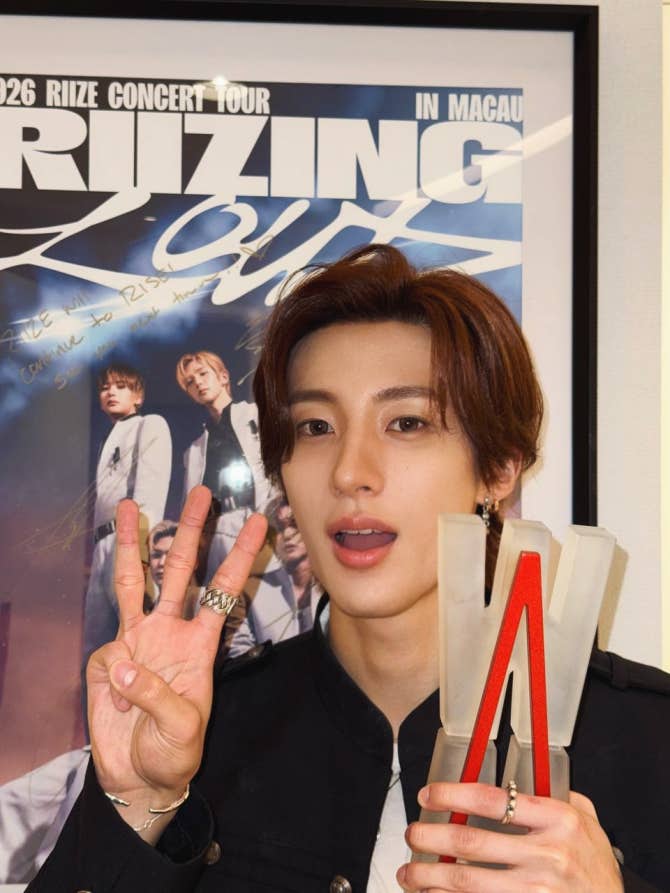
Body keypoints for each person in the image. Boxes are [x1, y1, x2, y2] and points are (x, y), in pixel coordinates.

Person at [30, 246, 670, 892]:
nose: (349, 472)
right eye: (315, 427)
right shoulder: (204, 730)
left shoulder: (648, 738)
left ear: (499, 469)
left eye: (407, 422)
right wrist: (137, 803)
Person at [82, 363, 172, 664]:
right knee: (96, 646)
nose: (110, 392)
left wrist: (139, 553)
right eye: (105, 388)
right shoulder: (108, 438)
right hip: (102, 545)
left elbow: (150, 495)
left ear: (138, 396)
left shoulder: (149, 424)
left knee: (133, 636)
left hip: (129, 540)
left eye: (120, 386)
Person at [177, 350, 276, 581]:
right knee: (219, 600)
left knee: (265, 598)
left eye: (202, 373)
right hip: (214, 538)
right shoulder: (194, 450)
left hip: (257, 523)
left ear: (223, 377)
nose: (197, 382)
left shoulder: (256, 416)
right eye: (190, 382)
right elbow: (187, 508)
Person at [222, 494, 318, 658]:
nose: (287, 534)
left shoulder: (336, 586)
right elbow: (237, 651)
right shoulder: (248, 589)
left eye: (294, 524)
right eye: (279, 528)